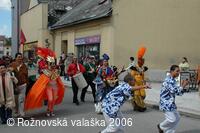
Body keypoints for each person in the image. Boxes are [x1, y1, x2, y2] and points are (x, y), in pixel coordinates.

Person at [25, 47, 65, 117]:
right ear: (48, 64)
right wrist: (46, 69)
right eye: (50, 63)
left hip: (55, 87)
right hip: (48, 87)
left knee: (53, 100)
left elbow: (57, 78)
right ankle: (49, 110)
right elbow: (45, 76)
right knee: (50, 99)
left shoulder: (56, 71)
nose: (52, 65)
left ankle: (51, 110)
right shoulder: (45, 71)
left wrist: (58, 70)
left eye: (53, 63)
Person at [157, 65, 189, 133]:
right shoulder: (168, 80)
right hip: (166, 103)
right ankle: (161, 126)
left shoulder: (173, 80)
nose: (178, 72)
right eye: (177, 71)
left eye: (179, 71)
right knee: (172, 119)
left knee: (177, 118)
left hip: (171, 103)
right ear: (171, 71)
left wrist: (183, 86)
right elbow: (174, 91)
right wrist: (183, 86)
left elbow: (179, 93)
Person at [10, 53, 28, 117]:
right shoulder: (12, 65)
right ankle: (16, 112)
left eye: (21, 57)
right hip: (15, 86)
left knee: (21, 100)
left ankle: (22, 114)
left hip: (23, 85)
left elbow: (26, 75)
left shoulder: (24, 66)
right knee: (15, 100)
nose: (20, 58)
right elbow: (10, 74)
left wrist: (27, 83)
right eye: (19, 57)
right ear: (16, 58)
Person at [131, 47, 148, 112]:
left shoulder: (142, 68)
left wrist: (144, 81)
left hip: (141, 84)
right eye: (141, 61)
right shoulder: (135, 68)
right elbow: (132, 76)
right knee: (137, 95)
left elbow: (143, 76)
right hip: (136, 84)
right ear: (139, 61)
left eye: (143, 62)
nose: (142, 63)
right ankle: (140, 107)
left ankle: (136, 103)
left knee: (143, 95)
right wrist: (133, 83)